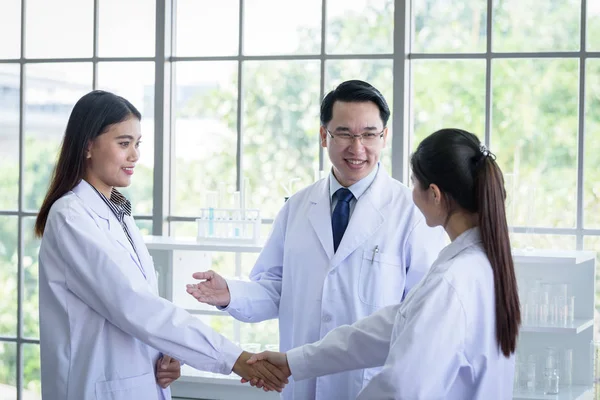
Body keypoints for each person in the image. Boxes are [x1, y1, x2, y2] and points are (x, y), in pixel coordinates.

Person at [186, 80, 446, 400]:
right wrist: (230, 294)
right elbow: (275, 290)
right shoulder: (297, 207)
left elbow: (423, 314)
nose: (357, 147)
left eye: (368, 134)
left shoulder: (412, 212)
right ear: (324, 136)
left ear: (385, 136)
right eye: (344, 134)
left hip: (372, 385)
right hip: (301, 384)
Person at [35, 90, 287, 400]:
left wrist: (164, 355)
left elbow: (139, 312)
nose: (135, 156)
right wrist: (233, 358)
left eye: (137, 144)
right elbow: (133, 305)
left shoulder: (118, 213)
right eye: (123, 143)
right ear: (88, 145)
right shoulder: (71, 216)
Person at [246, 128, 522, 399]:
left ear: (434, 194)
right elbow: (390, 328)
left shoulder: (453, 280)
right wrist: (294, 361)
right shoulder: (475, 264)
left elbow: (401, 389)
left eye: (415, 183)